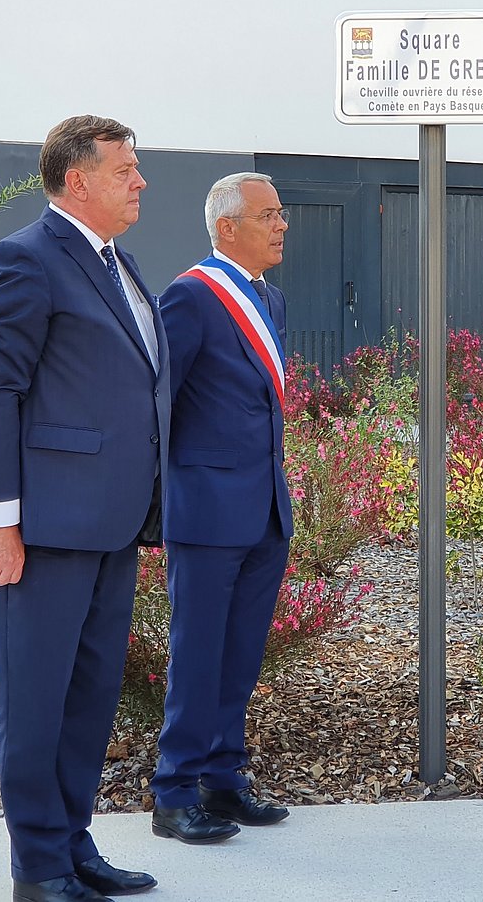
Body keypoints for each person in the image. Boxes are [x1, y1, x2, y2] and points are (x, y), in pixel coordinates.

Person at [0, 116, 169, 902]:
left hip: (112, 526)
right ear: (76, 179)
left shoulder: (119, 263)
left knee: (88, 700)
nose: (140, 181)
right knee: (36, 702)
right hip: (43, 530)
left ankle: (73, 842)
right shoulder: (24, 260)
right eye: (126, 169)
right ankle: (38, 868)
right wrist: (2, 522)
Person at [150, 172, 293, 843]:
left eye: (281, 213)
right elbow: (156, 404)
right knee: (198, 654)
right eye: (268, 214)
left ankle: (224, 780)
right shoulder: (189, 297)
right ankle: (174, 792)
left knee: (238, 656)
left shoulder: (271, 299)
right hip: (206, 512)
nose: (282, 224)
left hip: (264, 508)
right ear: (226, 227)